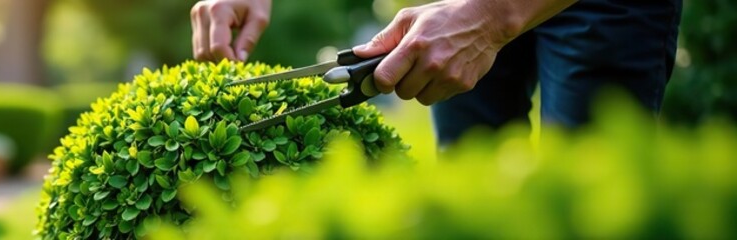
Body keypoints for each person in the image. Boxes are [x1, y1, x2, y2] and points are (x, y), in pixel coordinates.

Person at [190, 0, 682, 146]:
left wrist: (493, 16)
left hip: (599, 7)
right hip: (450, 7)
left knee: (588, 200)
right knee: (471, 192)